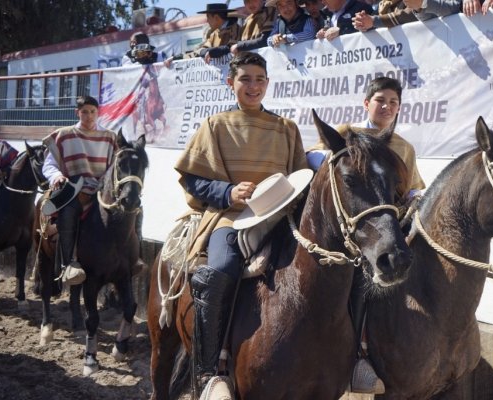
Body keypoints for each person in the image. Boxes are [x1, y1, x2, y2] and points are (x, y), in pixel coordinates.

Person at [174, 52, 309, 392]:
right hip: (230, 217)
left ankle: (357, 355)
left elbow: (300, 178)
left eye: (259, 79)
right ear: (230, 83)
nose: (253, 86)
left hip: (280, 216)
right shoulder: (215, 126)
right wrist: (228, 191)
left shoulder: (286, 128)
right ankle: (207, 369)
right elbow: (192, 179)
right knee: (220, 269)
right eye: (245, 79)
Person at [305, 76, 424, 393]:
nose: (386, 107)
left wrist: (416, 198)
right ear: (366, 102)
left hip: (391, 225)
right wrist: (340, 157)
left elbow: (413, 187)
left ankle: (379, 354)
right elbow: (314, 158)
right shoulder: (346, 134)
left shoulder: (403, 146)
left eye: (393, 103)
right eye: (380, 100)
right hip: (355, 227)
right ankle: (353, 357)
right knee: (359, 281)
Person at [41, 96, 118, 286]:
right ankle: (68, 264)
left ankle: (133, 259)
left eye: (93, 112)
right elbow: (48, 165)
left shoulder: (109, 136)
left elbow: (117, 165)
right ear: (78, 113)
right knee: (69, 211)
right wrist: (56, 176)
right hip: (74, 190)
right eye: (84, 112)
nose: (89, 116)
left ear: (98, 112)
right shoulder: (64, 134)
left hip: (102, 190)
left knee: (133, 210)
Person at [164, 3, 242, 67]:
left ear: (216, 18)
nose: (207, 20)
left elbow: (232, 48)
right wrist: (177, 58)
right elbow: (199, 51)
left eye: (208, 17)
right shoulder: (214, 34)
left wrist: (215, 51)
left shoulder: (235, 30)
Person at [352, 0, 417, 32]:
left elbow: (410, 14)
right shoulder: (383, 4)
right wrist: (362, 24)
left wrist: (373, 21)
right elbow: (372, 22)